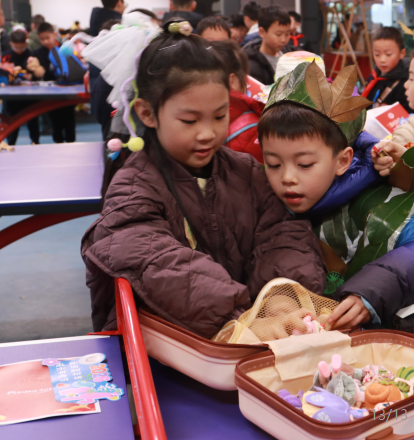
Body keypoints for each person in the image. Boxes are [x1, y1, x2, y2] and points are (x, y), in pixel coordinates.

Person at [81, 20, 326, 338]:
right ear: (147, 113)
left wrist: (280, 298)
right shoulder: (132, 186)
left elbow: (283, 234)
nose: (208, 133)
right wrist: (241, 319)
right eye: (189, 120)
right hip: (176, 346)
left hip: (250, 340)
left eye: (220, 115)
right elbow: (160, 266)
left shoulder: (246, 171)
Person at [256, 66, 414, 328]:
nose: (287, 178)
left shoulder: (382, 204)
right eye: (273, 164)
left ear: (343, 161)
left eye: (304, 164)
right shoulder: (262, 201)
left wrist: (371, 292)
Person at [27, 22, 77, 143]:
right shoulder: (36, 53)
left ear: (54, 35)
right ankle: (58, 144)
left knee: (69, 122)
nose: (45, 41)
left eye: (47, 38)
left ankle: (71, 145)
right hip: (50, 95)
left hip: (68, 93)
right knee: (56, 124)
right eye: (42, 39)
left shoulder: (65, 49)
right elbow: (34, 72)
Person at [1, 30, 39, 145]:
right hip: (11, 98)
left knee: (33, 119)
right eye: (16, 47)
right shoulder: (6, 56)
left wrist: (31, 76)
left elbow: (38, 74)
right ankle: (11, 143)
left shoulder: (32, 55)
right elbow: (2, 75)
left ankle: (35, 141)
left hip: (30, 96)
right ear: (11, 44)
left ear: (26, 44)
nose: (19, 50)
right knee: (11, 121)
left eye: (22, 47)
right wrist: (10, 75)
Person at [361, 27, 411, 112]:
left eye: (388, 54)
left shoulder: (406, 83)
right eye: (377, 54)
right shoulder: (374, 75)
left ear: (402, 53)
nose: (382, 60)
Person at [243, 5, 295, 85]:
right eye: (278, 34)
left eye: (287, 34)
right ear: (262, 32)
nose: (283, 40)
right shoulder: (251, 64)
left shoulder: (292, 56)